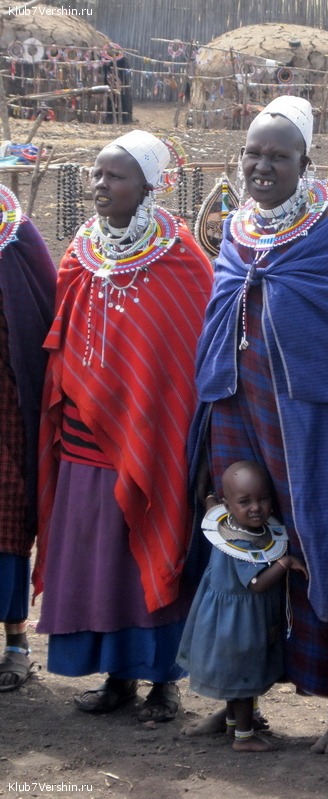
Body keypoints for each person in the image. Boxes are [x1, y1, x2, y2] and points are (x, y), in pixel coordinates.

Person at [185, 95, 328, 746]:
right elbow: (223, 300)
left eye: (276, 155)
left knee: (315, 545)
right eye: (252, 154)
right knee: (233, 546)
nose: (261, 166)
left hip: (306, 413)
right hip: (237, 404)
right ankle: (239, 697)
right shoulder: (236, 226)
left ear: (306, 162)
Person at [33, 130, 213, 721]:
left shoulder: (181, 257)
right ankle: (116, 678)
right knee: (99, 557)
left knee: (148, 546)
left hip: (152, 433)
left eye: (114, 176)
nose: (99, 185)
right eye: (95, 174)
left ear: (147, 186)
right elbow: (63, 334)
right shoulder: (81, 249)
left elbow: (181, 353)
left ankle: (161, 681)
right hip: (85, 437)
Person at [177, 460, 308, 752]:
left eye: (263, 499)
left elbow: (210, 502)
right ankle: (244, 738)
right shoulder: (241, 545)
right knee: (244, 678)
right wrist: (284, 562)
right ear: (229, 505)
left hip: (226, 619)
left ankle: (235, 723)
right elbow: (257, 584)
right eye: (245, 501)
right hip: (238, 624)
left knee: (235, 675)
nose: (256, 508)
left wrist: (207, 493)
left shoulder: (222, 519)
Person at [0, 189, 56, 691]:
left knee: (7, 520)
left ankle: (16, 642)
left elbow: (40, 315)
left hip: (5, 409)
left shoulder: (14, 236)